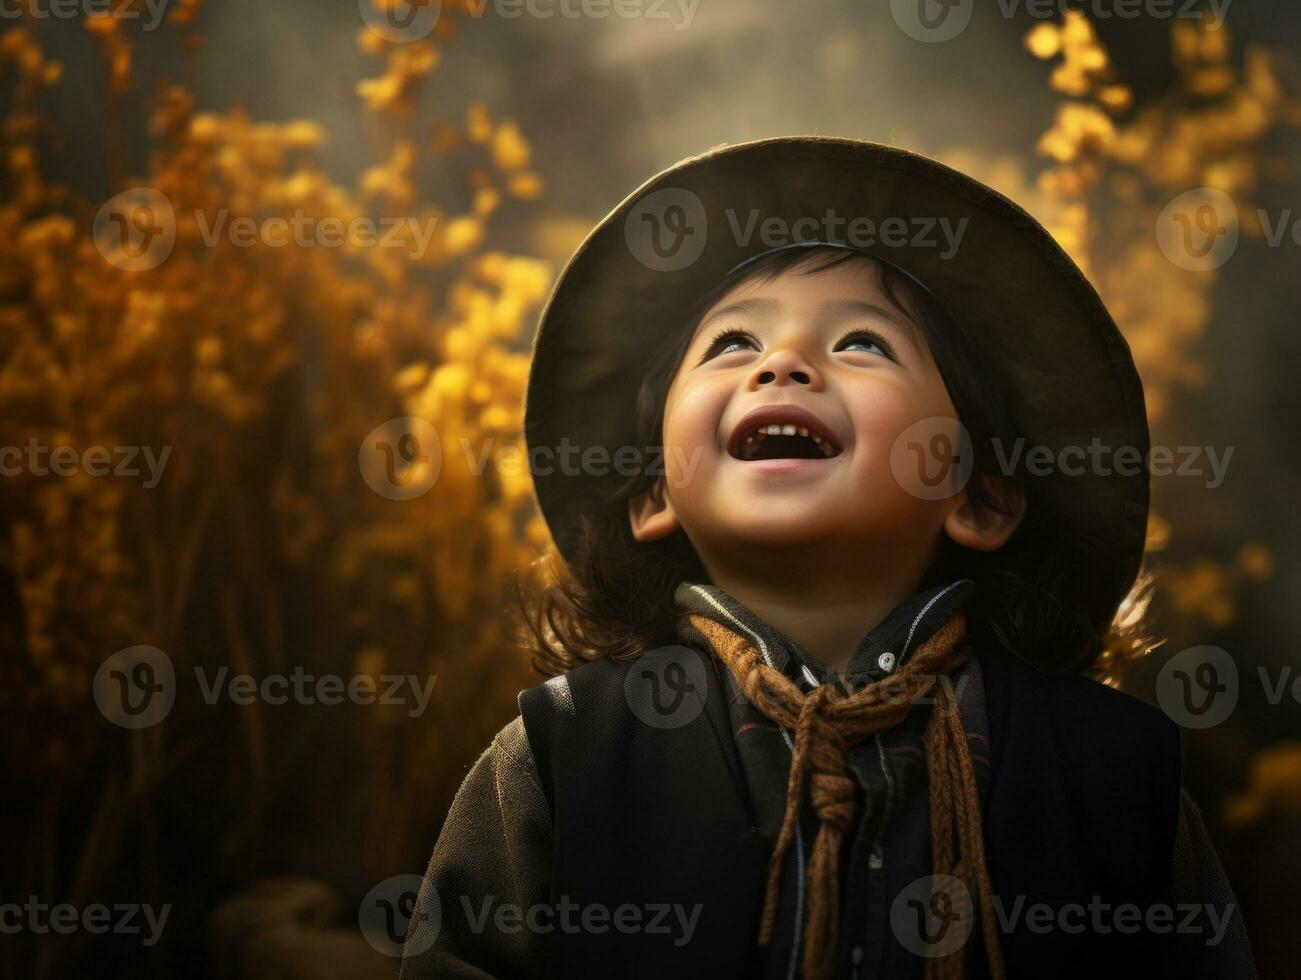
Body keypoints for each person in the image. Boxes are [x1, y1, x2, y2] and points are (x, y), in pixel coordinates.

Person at [400, 137, 1255, 979]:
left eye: (863, 344)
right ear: (653, 494)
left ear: (977, 497)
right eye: (731, 342)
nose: (782, 363)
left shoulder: (1111, 779)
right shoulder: (562, 755)